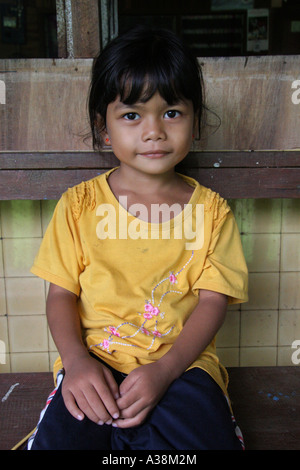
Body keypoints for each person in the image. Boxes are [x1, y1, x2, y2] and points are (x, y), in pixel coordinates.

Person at [27, 26, 248, 450]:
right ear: (104, 128)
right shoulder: (78, 206)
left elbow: (213, 302)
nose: (153, 132)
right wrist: (75, 363)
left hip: (184, 366)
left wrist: (166, 371)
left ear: (195, 122)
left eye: (171, 113)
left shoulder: (213, 212)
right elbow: (60, 296)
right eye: (132, 115)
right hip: (95, 363)